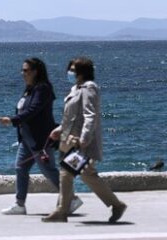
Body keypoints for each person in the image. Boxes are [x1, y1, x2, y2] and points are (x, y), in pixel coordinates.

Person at [42, 57, 127, 223]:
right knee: (88, 175)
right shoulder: (76, 88)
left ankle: (61, 211)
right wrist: (59, 130)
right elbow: (71, 118)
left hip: (81, 143)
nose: (70, 73)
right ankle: (116, 205)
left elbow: (89, 115)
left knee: (66, 173)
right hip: (70, 140)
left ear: (83, 72)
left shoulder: (89, 88)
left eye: (74, 70)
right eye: (70, 69)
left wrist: (84, 139)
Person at [0, 58, 82, 215]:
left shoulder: (43, 89)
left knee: (49, 170)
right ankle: (20, 204)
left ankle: (72, 198)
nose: (23, 73)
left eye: (26, 70)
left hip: (40, 139)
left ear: (35, 71)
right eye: (22, 70)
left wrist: (12, 120)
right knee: (20, 167)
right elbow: (24, 109)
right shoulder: (30, 89)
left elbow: (33, 110)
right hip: (27, 139)